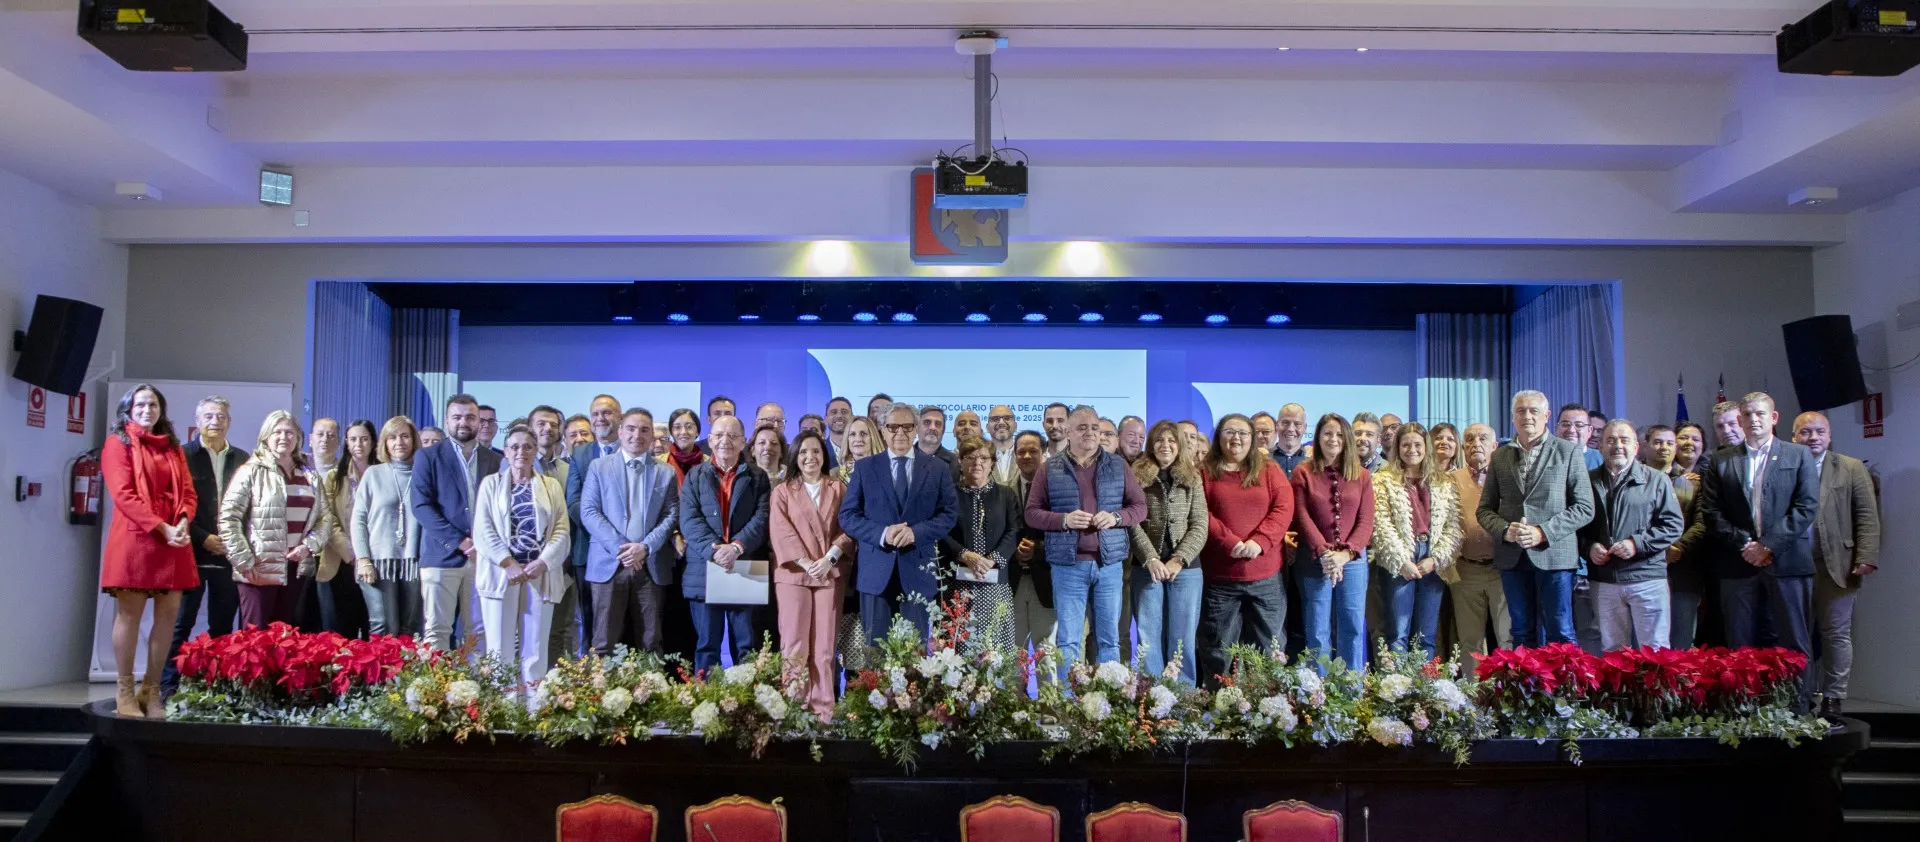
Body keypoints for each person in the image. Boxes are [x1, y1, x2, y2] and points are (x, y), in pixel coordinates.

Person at [1700, 392, 1818, 700]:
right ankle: (1744, 709)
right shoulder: (1721, 460)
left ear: (1774, 418)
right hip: (1737, 563)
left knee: (1794, 641)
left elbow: (1806, 507)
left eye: (1760, 414)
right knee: (1739, 645)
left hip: (1788, 563)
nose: (1754, 420)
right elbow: (1711, 511)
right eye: (1748, 415)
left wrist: (1768, 545)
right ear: (1740, 420)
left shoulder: (1798, 455)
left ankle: (1798, 709)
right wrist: (1746, 544)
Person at [1025, 407, 1148, 676]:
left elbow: (1140, 508)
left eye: (1094, 428)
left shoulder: (1118, 465)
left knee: (1109, 641)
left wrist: (1116, 517)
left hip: (1109, 565)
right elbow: (1031, 513)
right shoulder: (1049, 468)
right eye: (1082, 428)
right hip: (1067, 566)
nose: (1090, 433)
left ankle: (1108, 696)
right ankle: (1067, 699)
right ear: (1068, 432)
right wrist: (1064, 520)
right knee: (1068, 641)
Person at [101, 384, 198, 718]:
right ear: (129, 409)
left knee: (168, 615)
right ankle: (125, 690)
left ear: (161, 409)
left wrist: (183, 521)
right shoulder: (118, 443)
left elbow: (188, 492)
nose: (147, 410)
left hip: (173, 539)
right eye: (140, 404)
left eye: (153, 404)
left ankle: (151, 689)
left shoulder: (172, 446)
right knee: (130, 615)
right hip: (137, 538)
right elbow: (123, 495)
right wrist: (162, 527)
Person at [1477, 390, 1595, 648]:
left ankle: (1564, 677)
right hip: (1513, 557)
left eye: (1534, 411)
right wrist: (1505, 530)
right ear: (1512, 417)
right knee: (1520, 631)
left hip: (1555, 556)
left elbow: (1585, 507)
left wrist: (1543, 532)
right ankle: (1527, 677)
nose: (1527, 417)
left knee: (1560, 630)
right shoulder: (1499, 457)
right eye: (1521, 411)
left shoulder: (1568, 452)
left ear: (1547, 415)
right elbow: (1484, 510)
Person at [842, 404, 959, 644]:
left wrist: (917, 533)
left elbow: (949, 514)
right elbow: (848, 516)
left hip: (918, 573)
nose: (900, 433)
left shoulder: (937, 468)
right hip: (875, 575)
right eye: (893, 427)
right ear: (883, 430)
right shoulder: (865, 468)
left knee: (914, 655)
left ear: (916, 429)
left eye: (907, 427)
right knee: (875, 655)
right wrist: (882, 533)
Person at [1792, 411, 1881, 717]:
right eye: (1805, 432)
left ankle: (1833, 697)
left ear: (1829, 436)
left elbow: (1867, 515)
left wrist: (1866, 556)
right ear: (1794, 437)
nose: (1813, 437)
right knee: (1796, 635)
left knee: (1835, 633)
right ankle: (1800, 696)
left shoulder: (1850, 467)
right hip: (1792, 567)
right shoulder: (1785, 466)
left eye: (1819, 432)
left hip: (1838, 566)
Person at [473, 425, 571, 701]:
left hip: (539, 574)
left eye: (527, 447)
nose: (521, 452)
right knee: (499, 648)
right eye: (514, 447)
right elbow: (483, 529)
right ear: (505, 451)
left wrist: (543, 562)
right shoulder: (490, 484)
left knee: (535, 649)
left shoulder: (550, 486)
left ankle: (533, 709)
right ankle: (503, 708)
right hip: (501, 574)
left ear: (535, 450)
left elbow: (561, 529)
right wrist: (507, 563)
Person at [1194, 413, 1293, 686]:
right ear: (1218, 437)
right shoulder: (1203, 471)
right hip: (1220, 577)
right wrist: (1230, 542)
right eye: (1229, 432)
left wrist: (1258, 542)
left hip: (1266, 576)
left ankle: (1267, 702)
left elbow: (1283, 508)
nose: (1236, 438)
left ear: (1252, 438)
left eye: (1243, 433)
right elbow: (1200, 511)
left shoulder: (1269, 469)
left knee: (1270, 645)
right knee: (1218, 648)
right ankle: (1221, 702)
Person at [160, 396, 245, 698]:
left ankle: (217, 687)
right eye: (208, 416)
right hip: (189, 552)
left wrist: (230, 540)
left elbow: (248, 506)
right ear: (197, 421)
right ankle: (168, 688)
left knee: (222, 627)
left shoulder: (242, 458)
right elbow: (173, 504)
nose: (215, 422)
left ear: (229, 422)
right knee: (180, 624)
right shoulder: (181, 455)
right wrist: (202, 537)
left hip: (228, 554)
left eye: (221, 416)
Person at [579, 408, 679, 656]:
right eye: (631, 429)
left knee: (651, 642)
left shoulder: (665, 472)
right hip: (609, 563)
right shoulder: (599, 467)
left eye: (644, 430)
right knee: (603, 642)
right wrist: (622, 549)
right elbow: (589, 511)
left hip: (650, 564)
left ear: (652, 435)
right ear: (620, 431)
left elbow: (671, 515)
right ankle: (601, 684)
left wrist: (644, 547)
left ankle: (650, 683)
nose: (637, 435)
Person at [1578, 419, 1683, 652]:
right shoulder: (1586, 481)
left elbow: (1673, 525)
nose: (1618, 445)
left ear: (1636, 447)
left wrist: (1637, 544)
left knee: (1655, 652)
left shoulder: (1656, 480)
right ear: (1600, 447)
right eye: (1611, 440)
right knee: (1613, 652)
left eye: (1624, 440)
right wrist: (1589, 547)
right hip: (1604, 581)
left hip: (1647, 579)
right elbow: (1576, 528)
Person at [221, 410, 332, 632]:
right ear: (265, 437)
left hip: (295, 569)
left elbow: (325, 518)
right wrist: (244, 561)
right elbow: (228, 519)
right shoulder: (250, 471)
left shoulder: (309, 474)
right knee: (255, 640)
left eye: (289, 432)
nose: (284, 437)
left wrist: (309, 546)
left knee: (285, 641)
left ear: (298, 437)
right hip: (257, 569)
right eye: (277, 432)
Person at [770, 430, 854, 719]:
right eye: (804, 451)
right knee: (794, 644)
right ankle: (794, 709)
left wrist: (829, 559)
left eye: (816, 451)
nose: (810, 457)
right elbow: (780, 531)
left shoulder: (838, 487)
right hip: (794, 575)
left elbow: (848, 528)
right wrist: (807, 563)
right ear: (795, 456)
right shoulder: (783, 491)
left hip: (829, 574)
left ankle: (823, 709)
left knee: (825, 646)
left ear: (824, 455)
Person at [681, 415, 774, 671]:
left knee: (747, 646)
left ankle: (747, 696)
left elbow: (762, 517)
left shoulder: (758, 477)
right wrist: (716, 551)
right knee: (706, 646)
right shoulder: (694, 476)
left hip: (744, 567)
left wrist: (736, 547)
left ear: (743, 442)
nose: (726, 441)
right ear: (710, 440)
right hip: (704, 569)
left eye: (733, 436)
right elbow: (689, 520)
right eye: (719, 435)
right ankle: (705, 695)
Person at [411, 394, 502, 652]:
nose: (464, 422)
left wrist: (484, 544)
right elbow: (421, 507)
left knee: (480, 632)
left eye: (470, 417)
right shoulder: (428, 457)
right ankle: (436, 680)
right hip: (441, 557)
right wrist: (460, 542)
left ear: (479, 422)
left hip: (484, 559)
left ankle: (478, 679)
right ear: (447, 421)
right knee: (437, 630)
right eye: (457, 417)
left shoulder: (496, 460)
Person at [1369, 422, 1461, 659]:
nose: (1412, 450)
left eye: (1417, 444)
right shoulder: (1383, 480)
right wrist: (1401, 561)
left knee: (1426, 635)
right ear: (1397, 448)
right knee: (1397, 634)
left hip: (1432, 560)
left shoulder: (1443, 481)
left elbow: (1453, 526)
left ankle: (1423, 682)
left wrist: (1436, 560)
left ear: (1426, 447)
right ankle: (1397, 683)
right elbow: (1381, 524)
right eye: (1406, 445)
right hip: (1399, 559)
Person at [1292, 413, 1375, 672]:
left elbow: (1366, 521)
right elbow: (1301, 516)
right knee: (1317, 629)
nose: (1333, 439)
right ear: (1317, 437)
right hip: (1314, 561)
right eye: (1327, 433)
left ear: (1347, 439)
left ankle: (1351, 689)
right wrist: (1326, 554)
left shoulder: (1362, 476)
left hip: (1353, 562)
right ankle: (1318, 690)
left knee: (1352, 626)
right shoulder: (1303, 472)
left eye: (1339, 434)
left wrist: (1345, 555)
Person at [1127, 421, 1207, 682]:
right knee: (1148, 637)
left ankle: (1183, 695)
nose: (1166, 445)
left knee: (1183, 636)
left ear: (1180, 445)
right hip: (1146, 568)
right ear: (1151, 445)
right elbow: (1132, 522)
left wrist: (1179, 560)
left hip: (1186, 569)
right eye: (1160, 440)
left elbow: (1200, 524)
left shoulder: (1192, 477)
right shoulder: (1136, 476)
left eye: (1172, 441)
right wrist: (1150, 558)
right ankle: (1150, 695)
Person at [940, 438, 1023, 658]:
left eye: (984, 458)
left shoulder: (1006, 495)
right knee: (959, 649)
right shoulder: (948, 495)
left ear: (992, 463)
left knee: (994, 651)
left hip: (995, 584)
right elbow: (940, 531)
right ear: (960, 461)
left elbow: (1014, 530)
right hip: (957, 585)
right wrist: (964, 555)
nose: (977, 463)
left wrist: (991, 559)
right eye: (970, 457)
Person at [350, 416, 424, 637]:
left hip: (414, 563)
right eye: (392, 437)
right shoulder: (373, 474)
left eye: (404, 436)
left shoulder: (424, 474)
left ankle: (408, 663)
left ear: (414, 440)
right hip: (377, 562)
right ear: (384, 443)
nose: (399, 442)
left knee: (411, 629)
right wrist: (363, 559)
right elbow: (358, 520)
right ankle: (381, 663)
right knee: (383, 626)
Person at [1449, 423, 1511, 669]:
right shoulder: (1451, 480)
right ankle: (1472, 690)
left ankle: (1507, 690)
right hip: (1466, 570)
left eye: (1483, 439)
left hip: (1502, 570)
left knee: (1507, 638)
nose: (1476, 444)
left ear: (1495, 446)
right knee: (1469, 641)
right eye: (1470, 439)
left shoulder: (1507, 476)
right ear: (1463, 447)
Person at [315, 419, 375, 637]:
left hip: (374, 561)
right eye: (353, 439)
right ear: (346, 443)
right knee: (338, 634)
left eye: (364, 439)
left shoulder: (382, 474)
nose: (359, 444)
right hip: (339, 561)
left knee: (372, 629)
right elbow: (327, 518)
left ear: (373, 442)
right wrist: (351, 554)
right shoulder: (335, 476)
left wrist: (365, 556)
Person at [831, 415, 881, 672]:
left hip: (876, 558)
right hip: (842, 561)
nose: (858, 439)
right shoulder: (833, 476)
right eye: (852, 434)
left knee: (873, 632)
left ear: (873, 437)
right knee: (846, 631)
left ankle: (870, 684)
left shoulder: (885, 472)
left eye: (863, 433)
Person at [1663, 422, 1713, 648]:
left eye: (1695, 439)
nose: (1689, 443)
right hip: (1655, 565)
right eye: (1683, 437)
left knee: (1683, 637)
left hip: (1689, 565)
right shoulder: (1654, 473)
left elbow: (1704, 523)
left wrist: (1678, 548)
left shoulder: (1709, 478)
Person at [1007, 430, 1056, 654]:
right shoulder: (1003, 491)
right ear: (1014, 455)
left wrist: (1039, 550)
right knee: (1012, 653)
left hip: (1046, 579)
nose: (1027, 456)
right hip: (1011, 581)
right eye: (1021, 451)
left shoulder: (1057, 490)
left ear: (1044, 453)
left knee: (1047, 653)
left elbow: (1068, 534)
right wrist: (1013, 551)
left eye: (1033, 451)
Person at [659, 407, 709, 484]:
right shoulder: (659, 462)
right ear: (671, 432)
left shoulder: (709, 463)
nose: (683, 432)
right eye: (677, 427)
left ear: (697, 432)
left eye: (689, 427)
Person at [1557, 404, 1603, 471]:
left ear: (1589, 431)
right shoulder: (1545, 456)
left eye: (1579, 425)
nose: (1571, 430)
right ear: (1557, 428)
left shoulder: (1603, 459)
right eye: (1565, 425)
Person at [1272, 404, 1310, 475]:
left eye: (1297, 424)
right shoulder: (1262, 460)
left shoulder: (1315, 461)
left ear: (1305, 428)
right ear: (1277, 425)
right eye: (1285, 423)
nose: (1290, 429)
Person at [988, 405, 1021, 485]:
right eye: (995, 419)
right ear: (987, 427)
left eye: (1007, 418)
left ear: (1016, 426)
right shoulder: (980, 456)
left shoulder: (1026, 454)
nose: (1001, 423)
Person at [825, 396, 855, 467]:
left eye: (844, 412)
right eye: (834, 412)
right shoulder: (820, 450)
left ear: (852, 418)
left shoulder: (863, 448)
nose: (839, 416)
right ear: (825, 419)